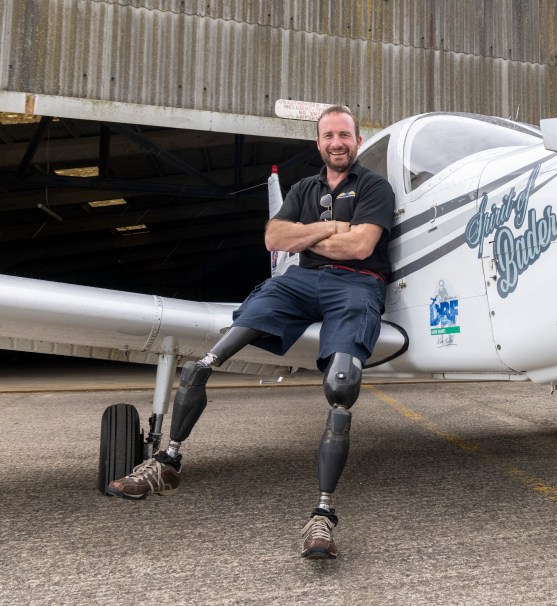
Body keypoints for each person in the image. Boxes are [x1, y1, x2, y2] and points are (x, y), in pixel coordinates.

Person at [105, 104, 396, 560]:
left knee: (341, 387)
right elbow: (275, 238)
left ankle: (323, 515)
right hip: (299, 282)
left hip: (358, 285)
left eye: (344, 135)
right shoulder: (304, 187)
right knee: (204, 362)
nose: (336, 143)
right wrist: (331, 227)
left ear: (357, 141)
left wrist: (309, 234)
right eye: (328, 136)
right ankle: (167, 462)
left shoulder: (376, 187)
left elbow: (361, 246)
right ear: (318, 143)